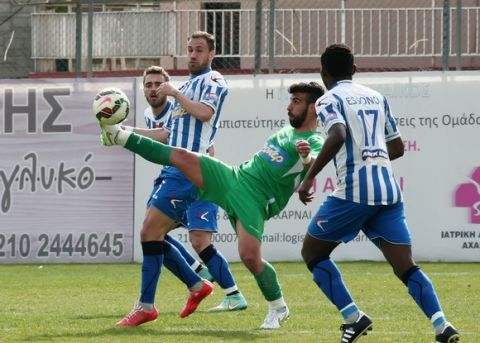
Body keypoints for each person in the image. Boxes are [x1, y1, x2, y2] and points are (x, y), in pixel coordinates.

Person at [98, 81, 325, 329]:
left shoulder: (314, 139)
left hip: (254, 200)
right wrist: (302, 183)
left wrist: (306, 161)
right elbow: (291, 173)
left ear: (313, 108)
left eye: (297, 102)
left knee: (250, 257)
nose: (289, 107)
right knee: (183, 157)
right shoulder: (286, 131)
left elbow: (313, 161)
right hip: (235, 177)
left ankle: (278, 307)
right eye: (290, 101)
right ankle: (118, 136)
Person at [297, 44, 460, 343]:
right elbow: (396, 147)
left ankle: (353, 318)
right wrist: (371, 155)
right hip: (388, 191)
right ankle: (442, 325)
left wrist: (309, 178)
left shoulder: (328, 99)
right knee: (405, 266)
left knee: (312, 252)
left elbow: (338, 134)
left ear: (323, 72)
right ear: (354, 70)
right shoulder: (376, 97)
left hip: (353, 193)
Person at [115, 32, 246, 328]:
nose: (192, 55)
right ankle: (196, 286)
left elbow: (204, 113)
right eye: (189, 50)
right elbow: (166, 135)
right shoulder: (185, 86)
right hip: (172, 167)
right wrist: (123, 133)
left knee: (153, 232)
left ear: (212, 54)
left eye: (199, 50)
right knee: (152, 233)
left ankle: (148, 306)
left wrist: (175, 94)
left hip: (189, 168)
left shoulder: (212, 81)